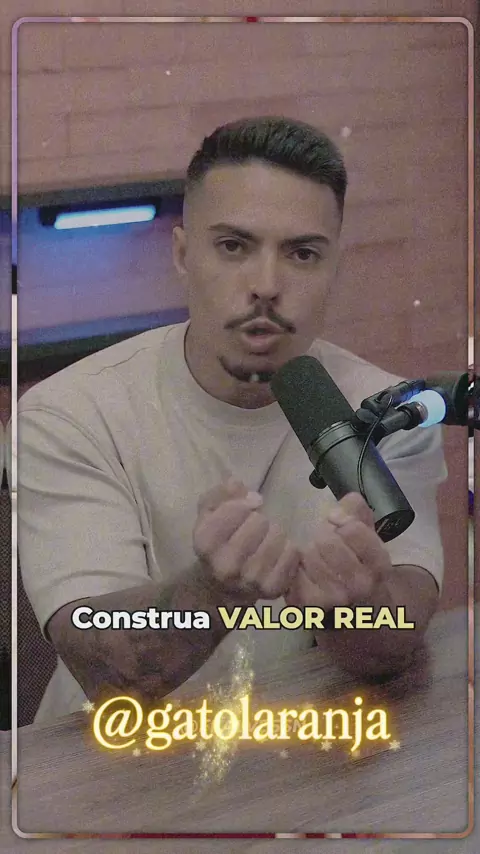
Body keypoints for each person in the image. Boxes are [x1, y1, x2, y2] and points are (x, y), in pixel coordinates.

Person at [17, 116, 447, 722]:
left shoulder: (390, 412)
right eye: (233, 246)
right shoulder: (68, 414)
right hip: (112, 759)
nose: (266, 285)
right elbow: (107, 670)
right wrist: (212, 591)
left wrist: (357, 609)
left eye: (302, 253)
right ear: (183, 255)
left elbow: (395, 641)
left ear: (334, 269)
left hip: (307, 744)